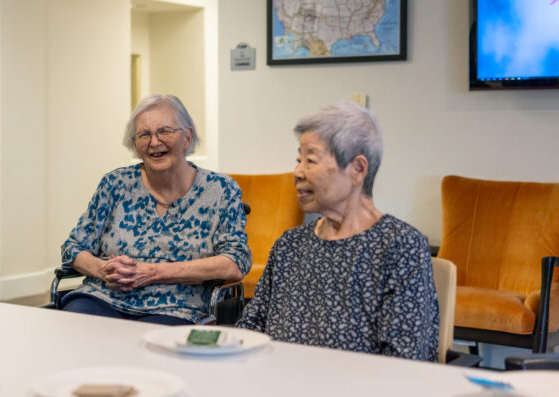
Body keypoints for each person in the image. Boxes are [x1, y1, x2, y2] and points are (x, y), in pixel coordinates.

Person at [236, 101, 438, 361]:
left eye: (311, 160)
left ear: (357, 169)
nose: (297, 172)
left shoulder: (400, 247)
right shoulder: (290, 244)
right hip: (278, 388)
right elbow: (251, 328)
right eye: (298, 160)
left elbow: (404, 361)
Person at [59, 94, 251, 325]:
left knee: (150, 347)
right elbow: (73, 247)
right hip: (102, 299)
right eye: (144, 135)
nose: (154, 142)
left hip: (176, 308)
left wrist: (152, 272)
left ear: (187, 138)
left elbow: (234, 263)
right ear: (136, 147)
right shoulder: (115, 184)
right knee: (71, 328)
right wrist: (104, 270)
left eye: (164, 131)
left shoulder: (220, 190)